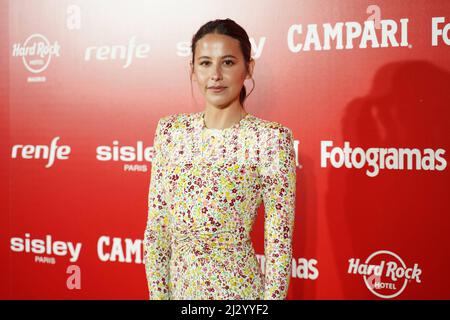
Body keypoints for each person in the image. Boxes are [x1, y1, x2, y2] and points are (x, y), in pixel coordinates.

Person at [143, 18, 297, 300]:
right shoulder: (170, 131)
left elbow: (279, 245)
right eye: (204, 63)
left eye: (227, 62)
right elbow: (157, 231)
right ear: (192, 70)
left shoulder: (271, 139)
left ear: (248, 68)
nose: (215, 75)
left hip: (239, 295)